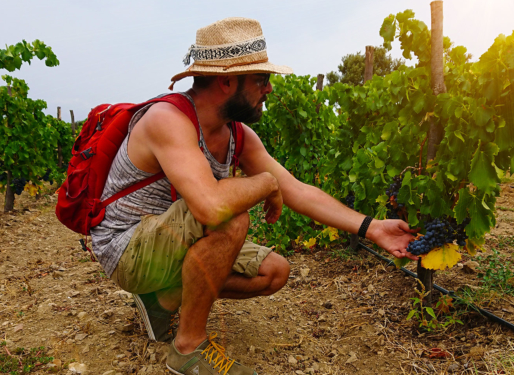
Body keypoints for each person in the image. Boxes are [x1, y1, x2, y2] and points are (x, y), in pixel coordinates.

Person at [90, 17, 418, 375]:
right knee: (230, 218)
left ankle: (162, 299)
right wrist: (266, 183)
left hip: (167, 241)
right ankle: (187, 348)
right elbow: (212, 206)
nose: (270, 90)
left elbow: (297, 190)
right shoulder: (167, 120)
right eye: (262, 79)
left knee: (274, 272)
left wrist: (372, 228)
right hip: (127, 247)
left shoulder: (237, 134)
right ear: (227, 81)